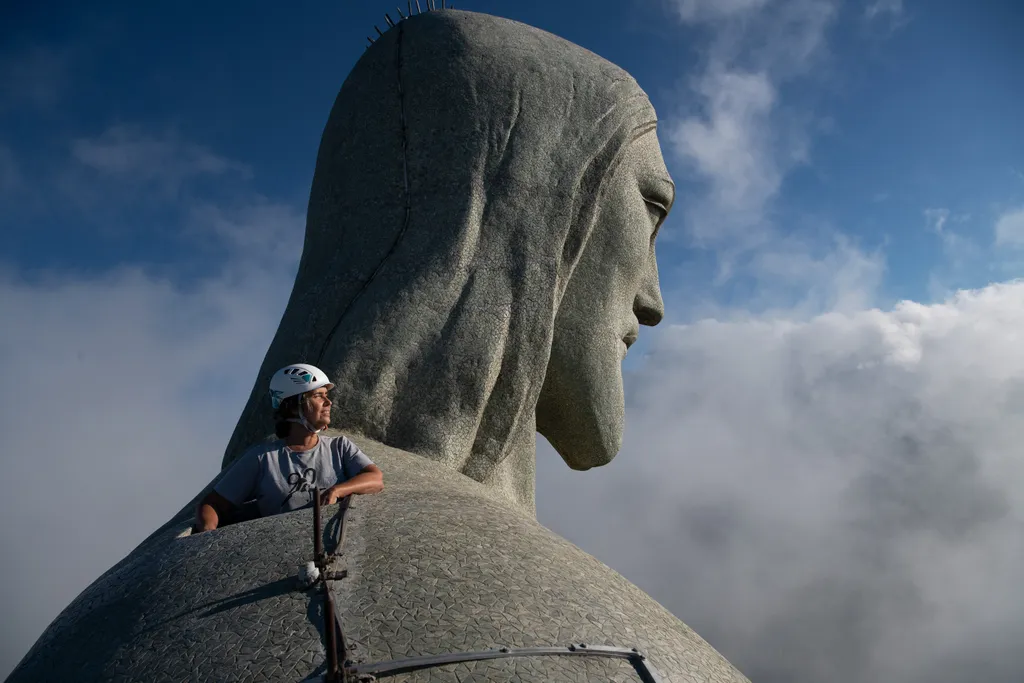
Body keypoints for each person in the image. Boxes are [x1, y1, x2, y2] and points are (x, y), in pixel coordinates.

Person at [194, 363, 384, 532]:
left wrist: (337, 491)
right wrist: (207, 536)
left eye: (327, 396)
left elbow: (375, 478)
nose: (329, 402)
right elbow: (212, 504)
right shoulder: (263, 459)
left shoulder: (340, 446)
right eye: (319, 396)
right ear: (293, 406)